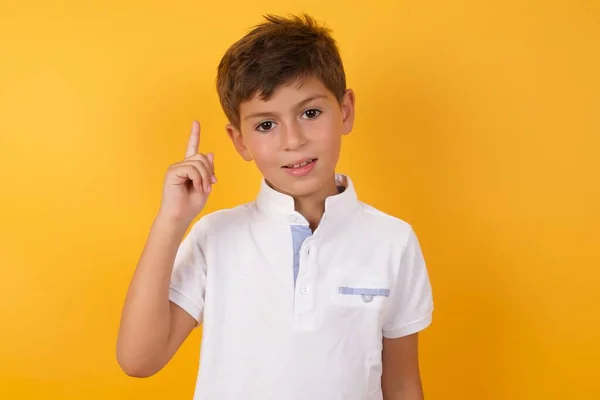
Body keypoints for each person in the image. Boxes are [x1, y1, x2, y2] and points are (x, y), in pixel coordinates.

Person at [116, 13, 433, 400]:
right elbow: (139, 360)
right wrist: (171, 221)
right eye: (266, 125)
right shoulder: (214, 238)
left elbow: (401, 384)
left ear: (345, 110)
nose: (293, 140)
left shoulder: (393, 241)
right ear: (240, 141)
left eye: (310, 113)